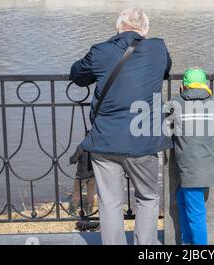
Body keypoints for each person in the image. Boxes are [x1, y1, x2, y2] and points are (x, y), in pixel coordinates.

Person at [69, 7, 172, 245]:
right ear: (145, 30)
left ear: (118, 27)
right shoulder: (158, 48)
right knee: (147, 197)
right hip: (143, 140)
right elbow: (165, 71)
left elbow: (77, 74)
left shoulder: (101, 50)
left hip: (105, 141)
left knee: (110, 202)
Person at [165, 67, 214, 245]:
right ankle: (187, 242)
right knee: (182, 199)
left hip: (190, 168)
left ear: (183, 87)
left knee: (196, 214)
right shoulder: (213, 103)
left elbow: (166, 122)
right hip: (206, 165)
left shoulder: (176, 103)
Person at [68, 145, 96, 216]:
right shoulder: (96, 146)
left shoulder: (81, 147)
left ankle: (73, 212)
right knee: (91, 193)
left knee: (76, 192)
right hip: (92, 174)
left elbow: (74, 160)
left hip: (81, 175)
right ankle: (89, 211)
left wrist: (71, 159)